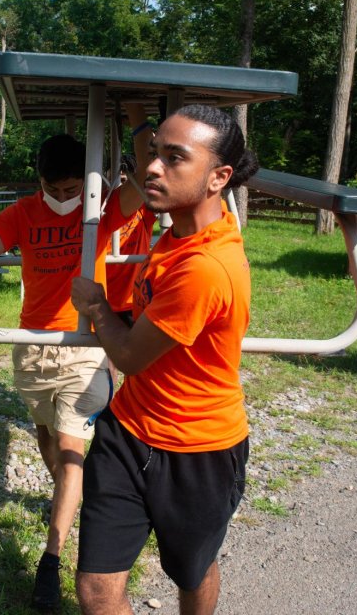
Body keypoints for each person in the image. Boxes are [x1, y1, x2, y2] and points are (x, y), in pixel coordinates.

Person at [0, 107, 149, 612]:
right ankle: (68, 498)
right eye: (54, 190)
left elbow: (150, 180)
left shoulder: (103, 209)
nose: (63, 200)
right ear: (40, 182)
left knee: (69, 449)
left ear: (84, 184)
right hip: (33, 347)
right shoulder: (23, 213)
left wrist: (138, 124)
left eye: (71, 190)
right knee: (47, 440)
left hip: (83, 348)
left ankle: (51, 558)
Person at [70, 104, 259, 615]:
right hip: (128, 432)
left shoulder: (206, 267)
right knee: (94, 588)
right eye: (154, 154)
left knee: (191, 570)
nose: (152, 168)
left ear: (219, 177)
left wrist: (94, 306)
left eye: (175, 158)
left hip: (199, 450)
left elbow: (130, 355)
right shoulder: (175, 231)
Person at [105, 154, 158, 327]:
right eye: (117, 181)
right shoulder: (97, 207)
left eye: (127, 182)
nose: (123, 188)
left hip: (132, 300)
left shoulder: (144, 208)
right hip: (101, 299)